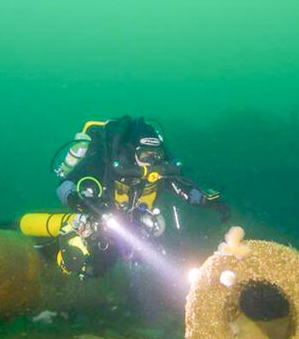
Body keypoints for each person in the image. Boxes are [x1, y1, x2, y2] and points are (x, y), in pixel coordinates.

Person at [49, 116, 230, 277]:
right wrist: (79, 201)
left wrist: (210, 202)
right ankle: (56, 252)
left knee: (150, 252)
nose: (151, 163)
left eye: (156, 156)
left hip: (132, 223)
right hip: (99, 221)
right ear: (132, 153)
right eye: (145, 155)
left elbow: (184, 190)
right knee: (99, 265)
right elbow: (64, 186)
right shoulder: (105, 166)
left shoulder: (159, 172)